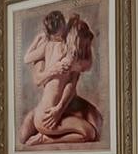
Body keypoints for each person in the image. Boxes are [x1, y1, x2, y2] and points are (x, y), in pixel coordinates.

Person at [20, 13, 102, 145]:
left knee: (97, 122)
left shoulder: (70, 53)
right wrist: (53, 69)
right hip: (46, 113)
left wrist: (59, 108)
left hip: (60, 106)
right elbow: (35, 76)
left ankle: (44, 129)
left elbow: (74, 81)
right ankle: (44, 138)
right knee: (90, 133)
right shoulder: (49, 46)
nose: (60, 37)